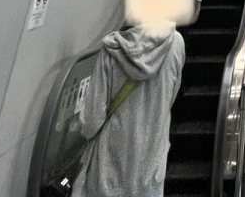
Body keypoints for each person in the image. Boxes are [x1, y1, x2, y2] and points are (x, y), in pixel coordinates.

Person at [72, 22, 185, 197]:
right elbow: (171, 97)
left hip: (109, 164)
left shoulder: (112, 48)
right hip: (150, 164)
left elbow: (93, 118)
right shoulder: (176, 43)